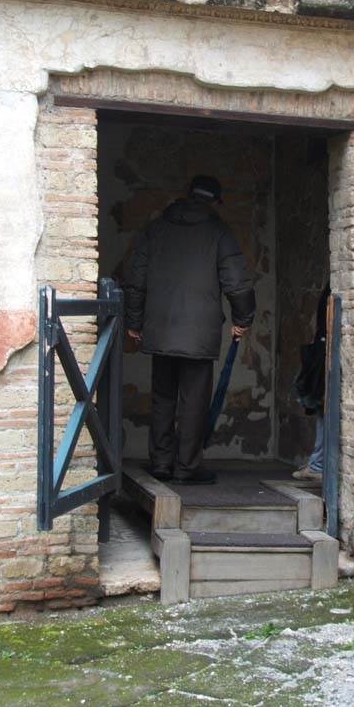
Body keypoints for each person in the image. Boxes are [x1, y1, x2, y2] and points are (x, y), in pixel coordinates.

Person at [124, 175, 256, 484]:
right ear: (216, 201)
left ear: (187, 194)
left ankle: (160, 463)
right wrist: (243, 319)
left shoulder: (156, 229)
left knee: (162, 398)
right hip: (199, 334)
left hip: (160, 329)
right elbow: (237, 282)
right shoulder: (219, 233)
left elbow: (136, 278)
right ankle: (186, 467)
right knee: (194, 402)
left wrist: (134, 322)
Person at [292, 284, 330, 482]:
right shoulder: (333, 287)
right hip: (325, 351)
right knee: (323, 409)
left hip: (326, 353)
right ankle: (317, 463)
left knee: (324, 409)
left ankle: (317, 464)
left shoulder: (333, 288)